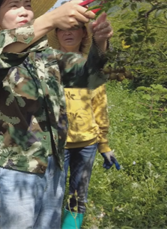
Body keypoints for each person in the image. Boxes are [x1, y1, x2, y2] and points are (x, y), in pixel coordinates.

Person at [0, 0, 114, 229]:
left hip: (53, 166)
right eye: (13, 6)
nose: (24, 10)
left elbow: (89, 76)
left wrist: (99, 41)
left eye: (27, 4)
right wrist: (50, 19)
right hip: (15, 169)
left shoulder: (46, 56)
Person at [48, 24, 120, 229]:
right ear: (56, 34)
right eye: (62, 29)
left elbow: (100, 107)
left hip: (86, 143)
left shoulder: (92, 69)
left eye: (74, 28)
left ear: (84, 34)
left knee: (77, 193)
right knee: (52, 194)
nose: (68, 32)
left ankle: (70, 226)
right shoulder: (48, 66)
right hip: (56, 144)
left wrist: (103, 145)